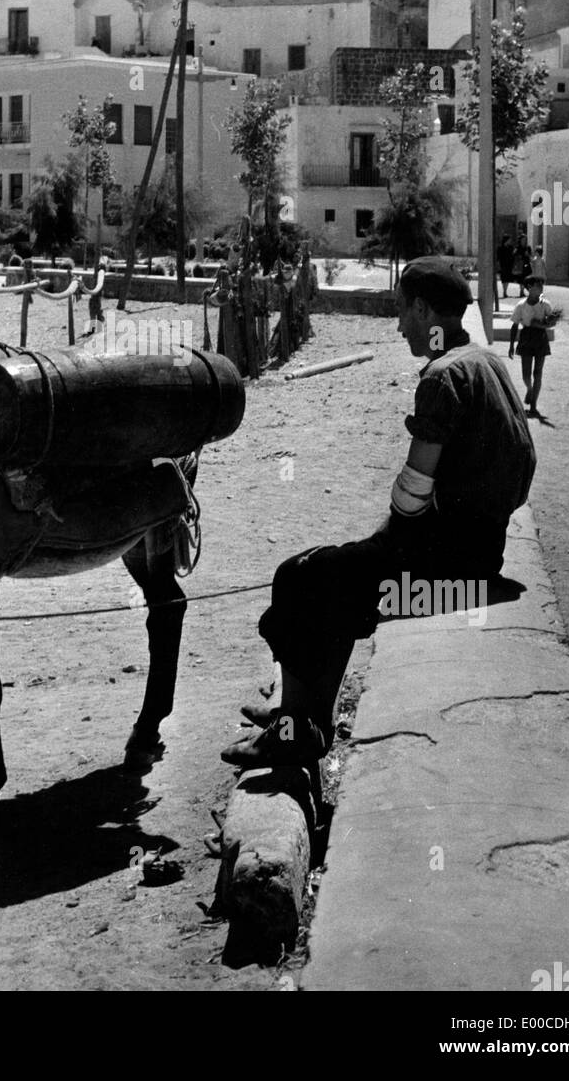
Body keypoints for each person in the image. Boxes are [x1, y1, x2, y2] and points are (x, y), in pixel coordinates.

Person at [221, 257, 536, 775]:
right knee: (337, 574)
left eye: (401, 311)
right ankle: (299, 717)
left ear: (422, 308)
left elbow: (413, 491)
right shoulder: (485, 361)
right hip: (484, 553)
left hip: (447, 571)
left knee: (300, 576)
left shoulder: (441, 376)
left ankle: (296, 732)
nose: (398, 325)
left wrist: (386, 541)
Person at [509, 273, 552, 416]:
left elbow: (551, 321)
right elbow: (515, 325)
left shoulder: (545, 304)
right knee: (526, 374)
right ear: (529, 287)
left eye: (542, 285)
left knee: (537, 373)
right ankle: (529, 389)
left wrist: (547, 323)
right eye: (537, 285)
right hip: (526, 337)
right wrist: (511, 345)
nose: (541, 287)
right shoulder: (521, 305)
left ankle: (533, 406)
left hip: (540, 338)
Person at [497, 234, 515, 298]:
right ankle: (504, 291)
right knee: (504, 279)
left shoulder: (511, 247)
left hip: (509, 265)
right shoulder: (500, 248)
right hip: (503, 265)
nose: (510, 241)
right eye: (509, 240)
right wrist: (498, 265)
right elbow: (498, 257)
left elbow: (512, 256)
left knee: (507, 279)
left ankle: (505, 291)